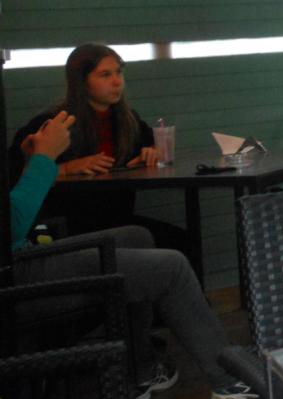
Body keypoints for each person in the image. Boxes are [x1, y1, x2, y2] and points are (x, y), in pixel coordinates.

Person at [11, 111, 257, 399]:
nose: (117, 86)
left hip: (22, 256)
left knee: (138, 236)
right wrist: (44, 159)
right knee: (172, 267)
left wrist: (34, 162)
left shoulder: (127, 120)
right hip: (15, 276)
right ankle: (229, 378)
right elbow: (11, 226)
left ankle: (141, 368)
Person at [8, 43, 186, 251]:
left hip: (119, 219)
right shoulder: (55, 124)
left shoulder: (128, 120)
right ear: (81, 82)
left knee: (180, 241)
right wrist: (67, 168)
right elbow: (17, 175)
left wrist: (153, 152)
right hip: (69, 226)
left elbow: (155, 144)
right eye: (105, 75)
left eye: (119, 72)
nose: (117, 82)